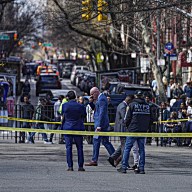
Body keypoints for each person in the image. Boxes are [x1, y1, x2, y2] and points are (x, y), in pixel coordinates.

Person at [117, 90, 153, 174]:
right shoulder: (147, 106)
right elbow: (151, 119)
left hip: (132, 130)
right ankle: (141, 168)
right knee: (141, 149)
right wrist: (146, 127)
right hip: (143, 130)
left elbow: (127, 118)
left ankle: (124, 166)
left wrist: (128, 126)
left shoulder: (131, 105)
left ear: (136, 96)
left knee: (127, 148)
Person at [85, 87, 115, 166]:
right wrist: (91, 102)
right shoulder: (100, 98)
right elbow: (96, 109)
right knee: (105, 141)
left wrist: (99, 126)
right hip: (101, 124)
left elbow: (101, 113)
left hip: (100, 125)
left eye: (92, 94)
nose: (91, 96)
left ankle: (94, 160)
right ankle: (116, 156)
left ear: (96, 92)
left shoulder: (101, 99)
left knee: (96, 141)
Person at [107, 95, 139, 169]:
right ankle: (125, 163)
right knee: (124, 146)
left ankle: (112, 158)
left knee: (122, 145)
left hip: (122, 128)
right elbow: (125, 118)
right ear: (129, 100)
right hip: (122, 129)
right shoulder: (123, 107)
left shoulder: (121, 105)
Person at [61, 91, 86, 171]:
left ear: (68, 97)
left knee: (68, 147)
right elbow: (84, 115)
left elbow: (62, 114)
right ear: (75, 97)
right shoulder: (80, 106)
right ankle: (80, 166)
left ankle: (70, 166)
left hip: (68, 127)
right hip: (78, 127)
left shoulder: (65, 105)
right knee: (79, 147)